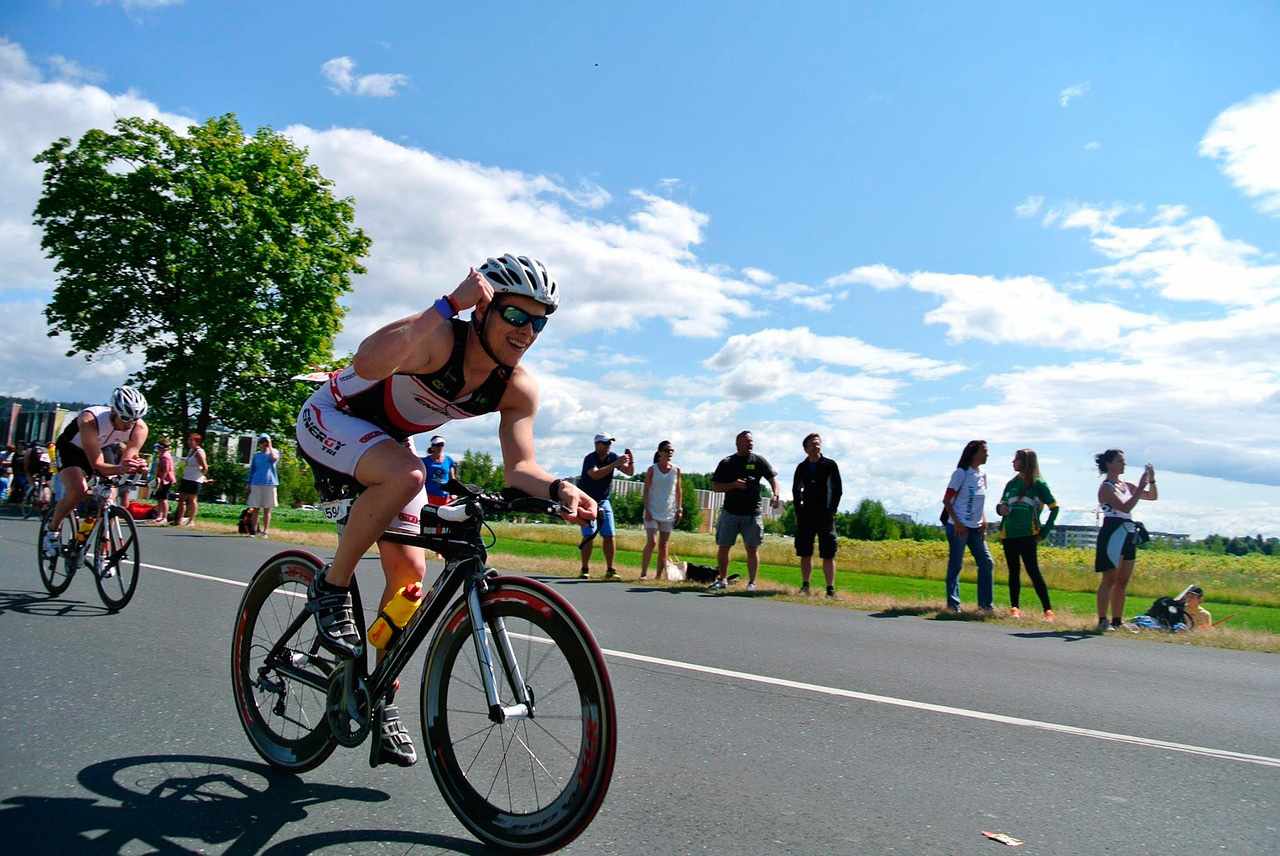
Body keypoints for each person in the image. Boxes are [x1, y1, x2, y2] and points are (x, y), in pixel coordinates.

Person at [294, 254, 595, 768]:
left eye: (538, 321)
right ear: (483, 308)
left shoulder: (516, 386)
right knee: (408, 475)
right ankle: (332, 586)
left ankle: (380, 699)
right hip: (331, 417)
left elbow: (521, 467)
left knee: (410, 579)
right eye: (516, 315)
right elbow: (366, 363)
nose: (527, 331)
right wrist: (446, 304)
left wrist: (561, 489)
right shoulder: (440, 338)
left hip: (386, 447)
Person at [42, 387, 150, 559]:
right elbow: (97, 464)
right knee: (78, 490)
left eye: (134, 420)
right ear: (113, 411)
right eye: (125, 419)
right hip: (72, 450)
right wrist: (121, 468)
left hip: (104, 447)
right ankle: (52, 531)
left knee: (109, 497)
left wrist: (135, 466)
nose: (129, 425)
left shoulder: (140, 429)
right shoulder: (90, 419)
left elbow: (125, 462)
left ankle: (103, 551)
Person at [1094, 449, 1157, 632]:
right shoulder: (1106, 487)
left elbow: (1152, 496)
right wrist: (1139, 487)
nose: (1124, 464)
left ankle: (1117, 620)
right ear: (1109, 464)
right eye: (1120, 461)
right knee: (1109, 578)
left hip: (1128, 531)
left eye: (1124, 461)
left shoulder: (1126, 485)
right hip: (1113, 530)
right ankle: (1102, 619)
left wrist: (1151, 480)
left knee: (1122, 580)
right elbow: (1125, 506)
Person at [710, 430, 780, 592]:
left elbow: (772, 479)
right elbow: (715, 486)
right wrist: (733, 485)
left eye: (751, 441)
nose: (750, 444)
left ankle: (752, 583)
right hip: (730, 512)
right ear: (738, 443)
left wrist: (775, 494)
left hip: (752, 513)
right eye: (747, 441)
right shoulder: (727, 462)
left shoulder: (759, 461)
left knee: (752, 548)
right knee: (724, 546)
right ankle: (722, 579)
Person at [995, 448, 1059, 620]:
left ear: (1025, 462)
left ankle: (1048, 610)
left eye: (1016, 459)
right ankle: (1014, 608)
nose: (1013, 462)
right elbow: (1001, 505)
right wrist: (1001, 509)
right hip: (1009, 534)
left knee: (1033, 571)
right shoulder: (1011, 483)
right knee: (1013, 571)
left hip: (1028, 534)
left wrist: (1045, 530)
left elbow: (1055, 508)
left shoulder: (1038, 484)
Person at [942, 440, 994, 614]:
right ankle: (953, 605)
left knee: (987, 563)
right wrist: (957, 522)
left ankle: (985, 606)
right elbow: (947, 500)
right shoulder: (961, 473)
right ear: (974, 453)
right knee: (956, 565)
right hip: (959, 527)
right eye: (985, 451)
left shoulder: (983, 474)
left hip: (976, 527)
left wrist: (984, 520)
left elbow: (979, 500)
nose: (987, 454)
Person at [792, 433, 842, 598]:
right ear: (806, 449)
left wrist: (832, 511)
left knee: (828, 553)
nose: (816, 446)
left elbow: (837, 490)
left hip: (825, 515)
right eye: (812, 444)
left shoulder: (829, 465)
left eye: (818, 443)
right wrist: (798, 511)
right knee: (805, 552)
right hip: (806, 515)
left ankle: (830, 589)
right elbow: (796, 490)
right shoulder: (802, 467)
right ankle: (805, 586)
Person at [578, 434, 634, 578]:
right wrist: (614, 465)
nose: (609, 445)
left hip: (603, 500)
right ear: (597, 444)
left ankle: (610, 569)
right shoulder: (590, 458)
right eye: (605, 443)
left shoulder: (613, 456)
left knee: (609, 535)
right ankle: (584, 569)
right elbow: (594, 475)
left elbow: (629, 472)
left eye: (610, 443)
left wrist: (630, 462)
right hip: (586, 501)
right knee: (589, 535)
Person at [640, 440, 682, 579]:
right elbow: (646, 490)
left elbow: (678, 491)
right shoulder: (652, 469)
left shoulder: (676, 470)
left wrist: (679, 508)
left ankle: (658, 575)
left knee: (663, 545)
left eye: (671, 450)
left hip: (668, 512)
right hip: (652, 510)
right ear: (660, 452)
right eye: (666, 450)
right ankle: (644, 573)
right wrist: (647, 509)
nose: (669, 453)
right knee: (652, 542)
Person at [246, 433, 281, 537]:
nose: (264, 444)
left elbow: (274, 459)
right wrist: (248, 483)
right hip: (256, 483)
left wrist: (270, 446)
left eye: (266, 441)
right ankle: (253, 530)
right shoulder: (256, 456)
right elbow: (252, 470)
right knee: (255, 508)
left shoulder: (273, 452)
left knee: (267, 508)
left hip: (269, 483)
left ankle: (265, 531)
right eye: (262, 442)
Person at [175, 433, 209, 526]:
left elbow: (205, 467)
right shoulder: (191, 451)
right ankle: (179, 519)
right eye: (189, 440)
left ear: (196, 442)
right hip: (186, 477)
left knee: (192, 500)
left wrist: (202, 476)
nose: (189, 442)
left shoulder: (199, 452)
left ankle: (191, 520)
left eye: (191, 440)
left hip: (195, 479)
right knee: (181, 499)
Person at [421, 435, 457, 509]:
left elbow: (452, 478)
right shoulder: (425, 461)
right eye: (437, 445)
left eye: (442, 445)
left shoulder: (448, 460)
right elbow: (421, 480)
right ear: (432, 447)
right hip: (429, 496)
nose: (440, 447)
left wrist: (454, 493)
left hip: (444, 497)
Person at [149, 440, 175, 524]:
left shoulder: (165, 457)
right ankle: (159, 516)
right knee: (159, 498)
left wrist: (161, 481)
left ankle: (164, 517)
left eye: (159, 447)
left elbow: (165, 470)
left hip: (166, 480)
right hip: (161, 479)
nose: (158, 449)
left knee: (164, 499)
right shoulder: (162, 455)